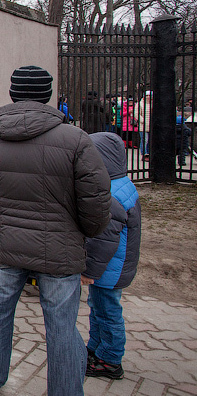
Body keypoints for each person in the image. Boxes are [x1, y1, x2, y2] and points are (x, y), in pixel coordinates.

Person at [0, 65, 109, 396]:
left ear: (13, 94)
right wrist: (83, 232)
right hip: (59, 250)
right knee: (61, 326)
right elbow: (96, 200)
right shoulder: (75, 139)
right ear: (47, 94)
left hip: (7, 245)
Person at [83, 132, 141, 381]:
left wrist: (89, 272)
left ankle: (110, 359)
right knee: (98, 308)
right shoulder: (123, 185)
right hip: (116, 265)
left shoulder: (109, 196)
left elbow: (103, 242)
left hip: (109, 268)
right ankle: (96, 349)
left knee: (107, 312)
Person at [134, 91, 152, 160]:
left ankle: (149, 153)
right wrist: (142, 120)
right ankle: (144, 154)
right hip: (143, 125)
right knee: (145, 140)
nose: (148, 97)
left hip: (151, 124)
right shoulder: (140, 104)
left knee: (150, 141)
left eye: (150, 96)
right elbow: (136, 113)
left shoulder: (153, 104)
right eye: (147, 95)